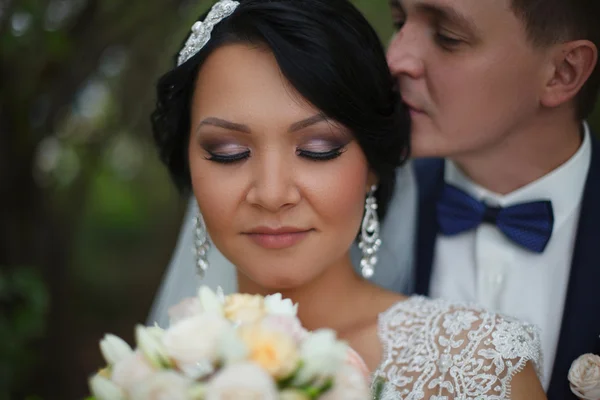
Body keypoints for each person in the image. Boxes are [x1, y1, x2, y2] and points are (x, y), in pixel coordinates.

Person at [149, 0, 546, 398]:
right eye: (229, 152)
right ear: (189, 164)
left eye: (318, 149)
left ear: (372, 163)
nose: (272, 195)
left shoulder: (479, 366)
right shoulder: (159, 371)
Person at [386, 1, 600, 398]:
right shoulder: (360, 211)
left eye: (448, 38)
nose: (395, 58)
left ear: (562, 72)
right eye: (399, 21)